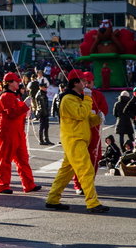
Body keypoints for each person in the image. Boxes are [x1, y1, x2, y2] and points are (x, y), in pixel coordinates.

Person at [45, 74, 109, 213]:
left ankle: (52, 199)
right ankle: (92, 202)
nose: (85, 84)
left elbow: (86, 118)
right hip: (75, 139)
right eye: (83, 81)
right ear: (75, 83)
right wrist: (87, 98)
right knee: (86, 169)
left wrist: (98, 118)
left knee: (66, 172)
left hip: (77, 139)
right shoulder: (68, 99)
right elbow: (80, 114)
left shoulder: (75, 98)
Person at [0, 72, 40, 194]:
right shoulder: (6, 96)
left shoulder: (13, 96)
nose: (18, 83)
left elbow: (16, 112)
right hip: (8, 131)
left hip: (16, 131)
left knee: (23, 159)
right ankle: (3, 185)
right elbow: (11, 113)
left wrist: (25, 110)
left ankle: (29, 184)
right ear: (10, 83)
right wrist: (25, 107)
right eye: (16, 81)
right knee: (5, 159)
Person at [72, 71, 109, 194]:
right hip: (79, 131)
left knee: (95, 156)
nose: (86, 84)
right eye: (84, 82)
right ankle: (78, 184)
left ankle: (89, 182)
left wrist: (99, 115)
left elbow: (104, 109)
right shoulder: (75, 95)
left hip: (94, 131)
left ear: (93, 82)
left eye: (89, 82)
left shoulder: (98, 95)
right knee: (79, 158)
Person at [34, 80, 52, 145]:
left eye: (46, 87)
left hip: (45, 112)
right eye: (44, 87)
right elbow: (41, 106)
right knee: (42, 126)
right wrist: (44, 113)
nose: (46, 88)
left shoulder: (43, 93)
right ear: (40, 87)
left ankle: (46, 139)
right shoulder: (40, 94)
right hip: (42, 112)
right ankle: (41, 140)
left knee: (46, 126)